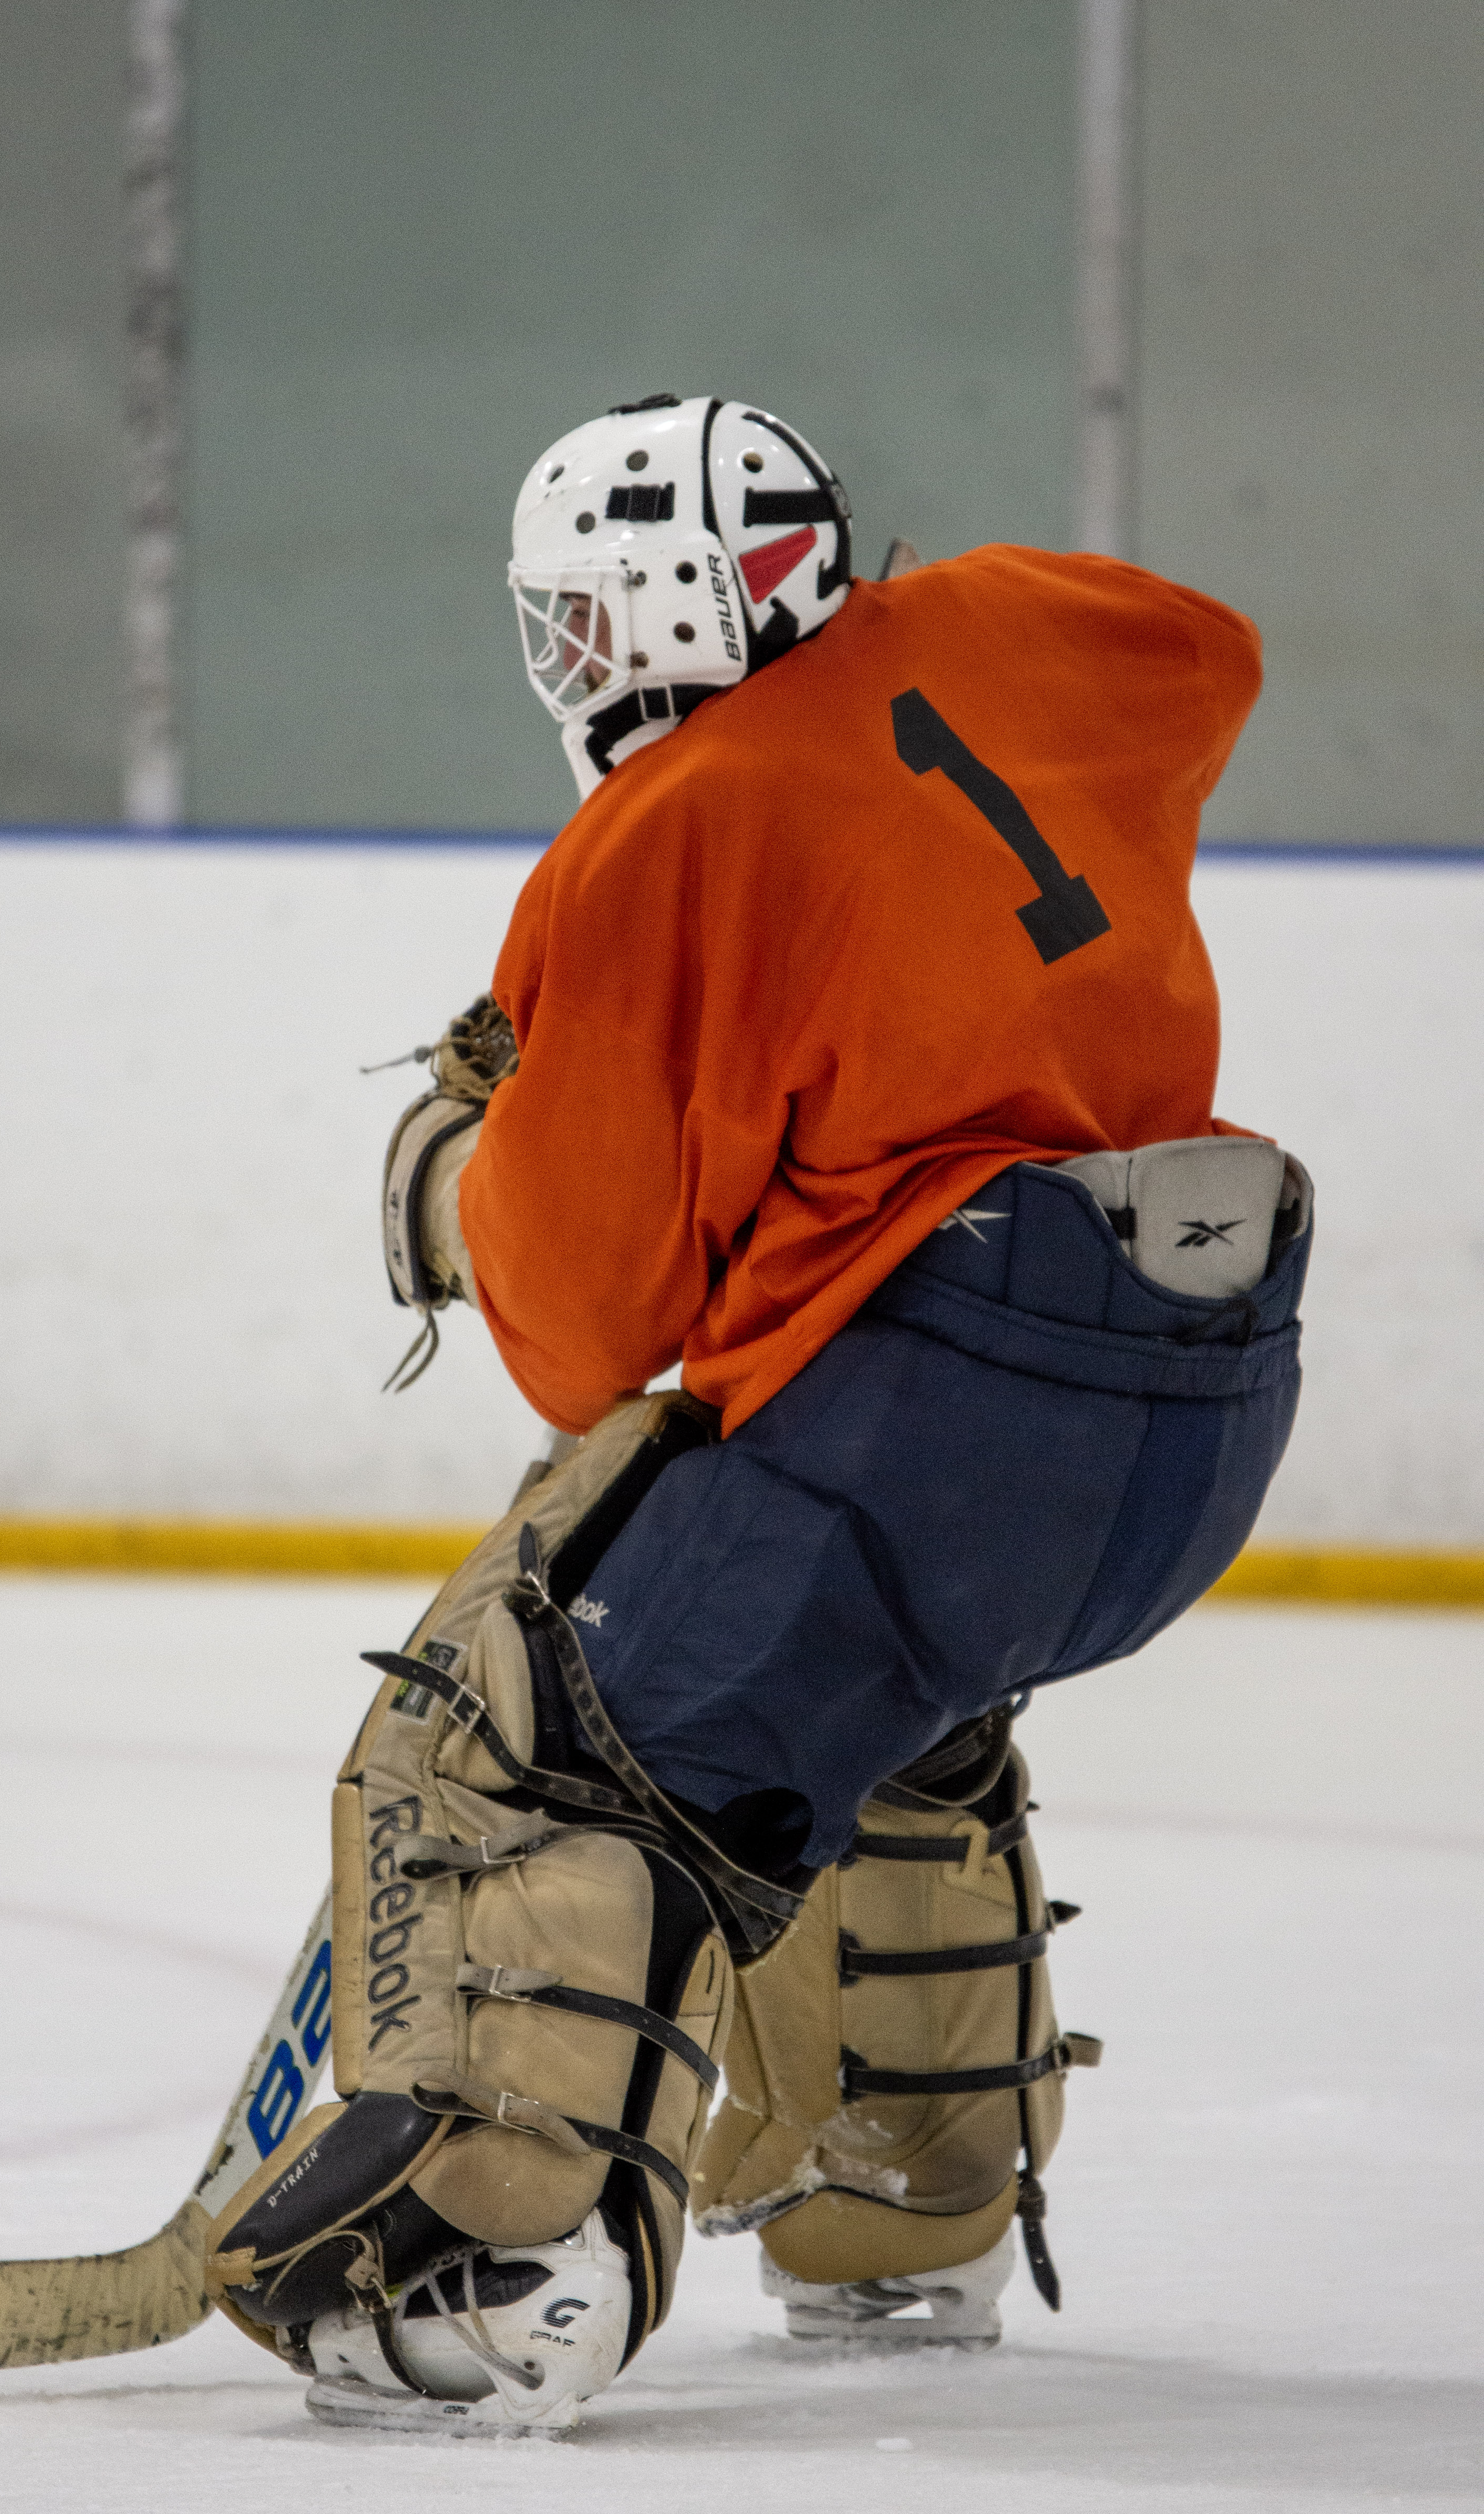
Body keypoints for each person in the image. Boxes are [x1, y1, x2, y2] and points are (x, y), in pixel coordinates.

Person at [204, 394, 1312, 2430]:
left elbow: (583, 1332)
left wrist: (463, 1175)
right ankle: (903, 2212)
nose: (563, 660)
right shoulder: (1004, 624)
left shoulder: (659, 834)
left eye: (578, 616)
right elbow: (1198, 647)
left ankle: (497, 2275)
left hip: (937, 1426)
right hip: (1203, 1388)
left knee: (556, 1742)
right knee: (863, 1720)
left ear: (659, 615)